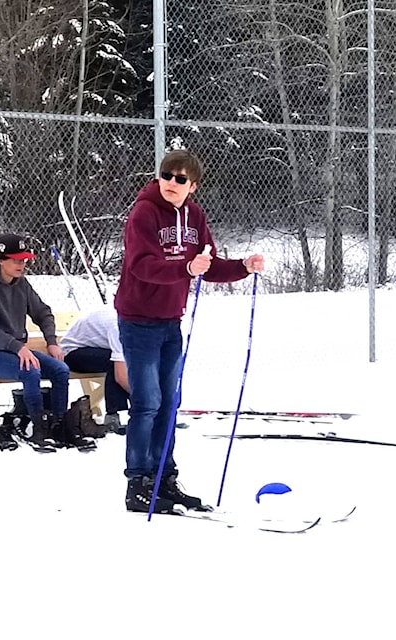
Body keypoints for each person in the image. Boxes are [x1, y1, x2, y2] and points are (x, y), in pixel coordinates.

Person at [114, 149, 265, 513]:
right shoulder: (144, 213)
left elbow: (205, 265)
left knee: (169, 403)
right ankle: (139, 481)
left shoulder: (195, 216)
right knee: (146, 402)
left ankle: (164, 477)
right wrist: (186, 269)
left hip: (171, 321)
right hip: (138, 319)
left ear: (192, 186)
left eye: (181, 179)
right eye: (167, 175)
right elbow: (142, 266)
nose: (171, 183)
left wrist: (243, 266)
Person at [0, 233, 71, 446]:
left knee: (61, 370)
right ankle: (38, 427)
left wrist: (51, 341)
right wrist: (17, 347)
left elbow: (43, 313)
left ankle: (59, 424)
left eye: (23, 260)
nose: (21, 264)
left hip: (15, 351)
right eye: (15, 260)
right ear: (0, 260)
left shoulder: (22, 284)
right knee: (30, 371)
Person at [60, 306, 130, 434]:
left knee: (125, 360)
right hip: (72, 352)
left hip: (97, 348)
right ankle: (114, 416)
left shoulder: (131, 319)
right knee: (114, 363)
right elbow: (120, 375)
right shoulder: (118, 326)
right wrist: (144, 398)